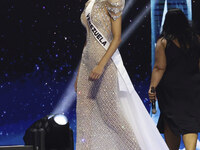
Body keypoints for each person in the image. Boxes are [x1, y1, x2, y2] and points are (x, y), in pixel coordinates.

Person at [75, 0, 169, 149]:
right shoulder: (90, 3)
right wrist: (80, 72)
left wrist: (101, 65)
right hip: (87, 64)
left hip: (105, 65)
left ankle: (134, 147)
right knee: (84, 114)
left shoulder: (112, 1)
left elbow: (117, 37)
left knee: (110, 115)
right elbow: (88, 40)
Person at [149, 9, 200, 150]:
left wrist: (152, 87)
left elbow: (159, 68)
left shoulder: (163, 42)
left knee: (171, 122)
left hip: (170, 92)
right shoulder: (197, 39)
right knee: (190, 123)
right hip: (193, 89)